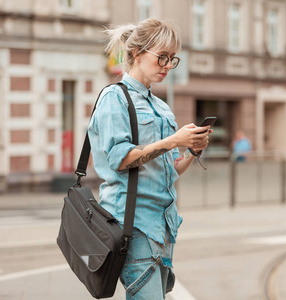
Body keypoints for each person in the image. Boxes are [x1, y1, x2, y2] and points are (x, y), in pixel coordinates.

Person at [88, 18, 212, 300]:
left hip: (164, 226)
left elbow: (170, 170)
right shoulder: (114, 99)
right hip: (133, 227)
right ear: (136, 54)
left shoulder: (161, 107)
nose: (168, 66)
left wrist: (191, 150)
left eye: (172, 59)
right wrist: (173, 140)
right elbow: (120, 160)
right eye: (162, 58)